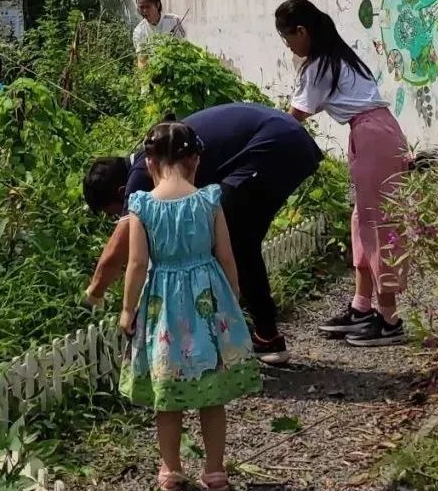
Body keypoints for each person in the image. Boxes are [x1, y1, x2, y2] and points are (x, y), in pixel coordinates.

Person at [84, 103, 323, 366]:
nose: (118, 218)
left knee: (232, 239)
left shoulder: (142, 171)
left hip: (276, 144)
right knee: (243, 241)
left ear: (121, 192)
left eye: (114, 213)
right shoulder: (158, 155)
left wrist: (93, 294)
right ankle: (264, 336)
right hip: (287, 140)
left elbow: (118, 249)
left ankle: (227, 337)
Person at [118, 119, 260, 491]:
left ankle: (171, 469)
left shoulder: (142, 206)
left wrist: (127, 310)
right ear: (194, 160)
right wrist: (232, 296)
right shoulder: (208, 200)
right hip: (207, 305)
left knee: (168, 397)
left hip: (163, 310)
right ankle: (215, 471)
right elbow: (226, 256)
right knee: (211, 395)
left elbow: (135, 265)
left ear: (149, 163)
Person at [277, 0, 409, 347]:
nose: (288, 46)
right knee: (362, 221)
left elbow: (293, 118)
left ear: (302, 31)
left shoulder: (321, 66)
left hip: (372, 137)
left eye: (287, 38)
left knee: (379, 226)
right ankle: (363, 307)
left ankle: (389, 318)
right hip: (374, 134)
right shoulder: (337, 57)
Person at [132, 0, 186, 69]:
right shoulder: (139, 31)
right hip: (154, 71)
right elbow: (142, 60)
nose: (144, 10)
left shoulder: (174, 21)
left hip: (177, 67)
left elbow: (184, 47)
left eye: (148, 6)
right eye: (141, 7)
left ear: (157, 5)